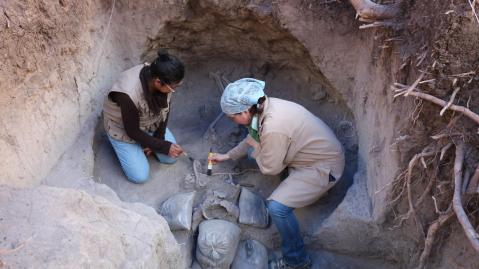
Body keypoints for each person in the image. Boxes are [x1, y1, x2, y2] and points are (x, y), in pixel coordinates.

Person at [209, 78, 345, 269]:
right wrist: (227, 156)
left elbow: (270, 169)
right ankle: (308, 190)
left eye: (232, 117)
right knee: (256, 150)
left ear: (245, 111)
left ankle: (297, 260)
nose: (233, 121)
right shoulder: (264, 106)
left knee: (276, 208)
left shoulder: (273, 128)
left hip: (322, 168)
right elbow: (252, 136)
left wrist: (257, 148)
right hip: (312, 155)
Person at [102, 49, 185, 183]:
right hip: (123, 129)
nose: (175, 90)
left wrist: (158, 138)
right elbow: (132, 131)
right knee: (140, 176)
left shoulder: (162, 78)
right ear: (158, 82)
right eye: (174, 87)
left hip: (148, 122)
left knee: (171, 158)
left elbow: (166, 108)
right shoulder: (127, 94)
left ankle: (145, 143)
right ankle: (117, 143)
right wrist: (162, 146)